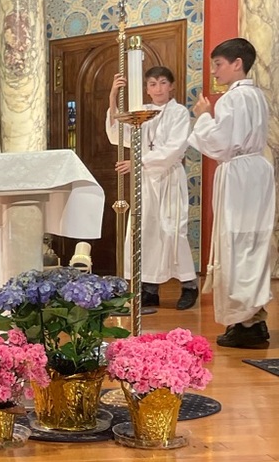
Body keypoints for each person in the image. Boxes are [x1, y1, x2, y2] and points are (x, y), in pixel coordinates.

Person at [188, 38, 275, 349]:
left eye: (219, 64)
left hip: (239, 174)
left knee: (236, 242)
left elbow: (222, 144)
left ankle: (245, 324)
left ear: (238, 63)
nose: (214, 72)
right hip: (257, 172)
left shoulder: (231, 99)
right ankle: (254, 318)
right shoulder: (257, 97)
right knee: (252, 241)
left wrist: (203, 116)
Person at [106, 66, 197, 311]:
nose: (158, 89)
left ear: (172, 86)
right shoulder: (141, 113)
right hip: (145, 180)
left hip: (168, 177)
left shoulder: (178, 112)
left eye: (163, 83)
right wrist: (113, 96)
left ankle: (189, 285)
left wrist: (138, 162)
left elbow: (174, 148)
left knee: (172, 230)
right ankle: (149, 289)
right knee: (144, 231)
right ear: (146, 89)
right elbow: (117, 135)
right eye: (153, 84)